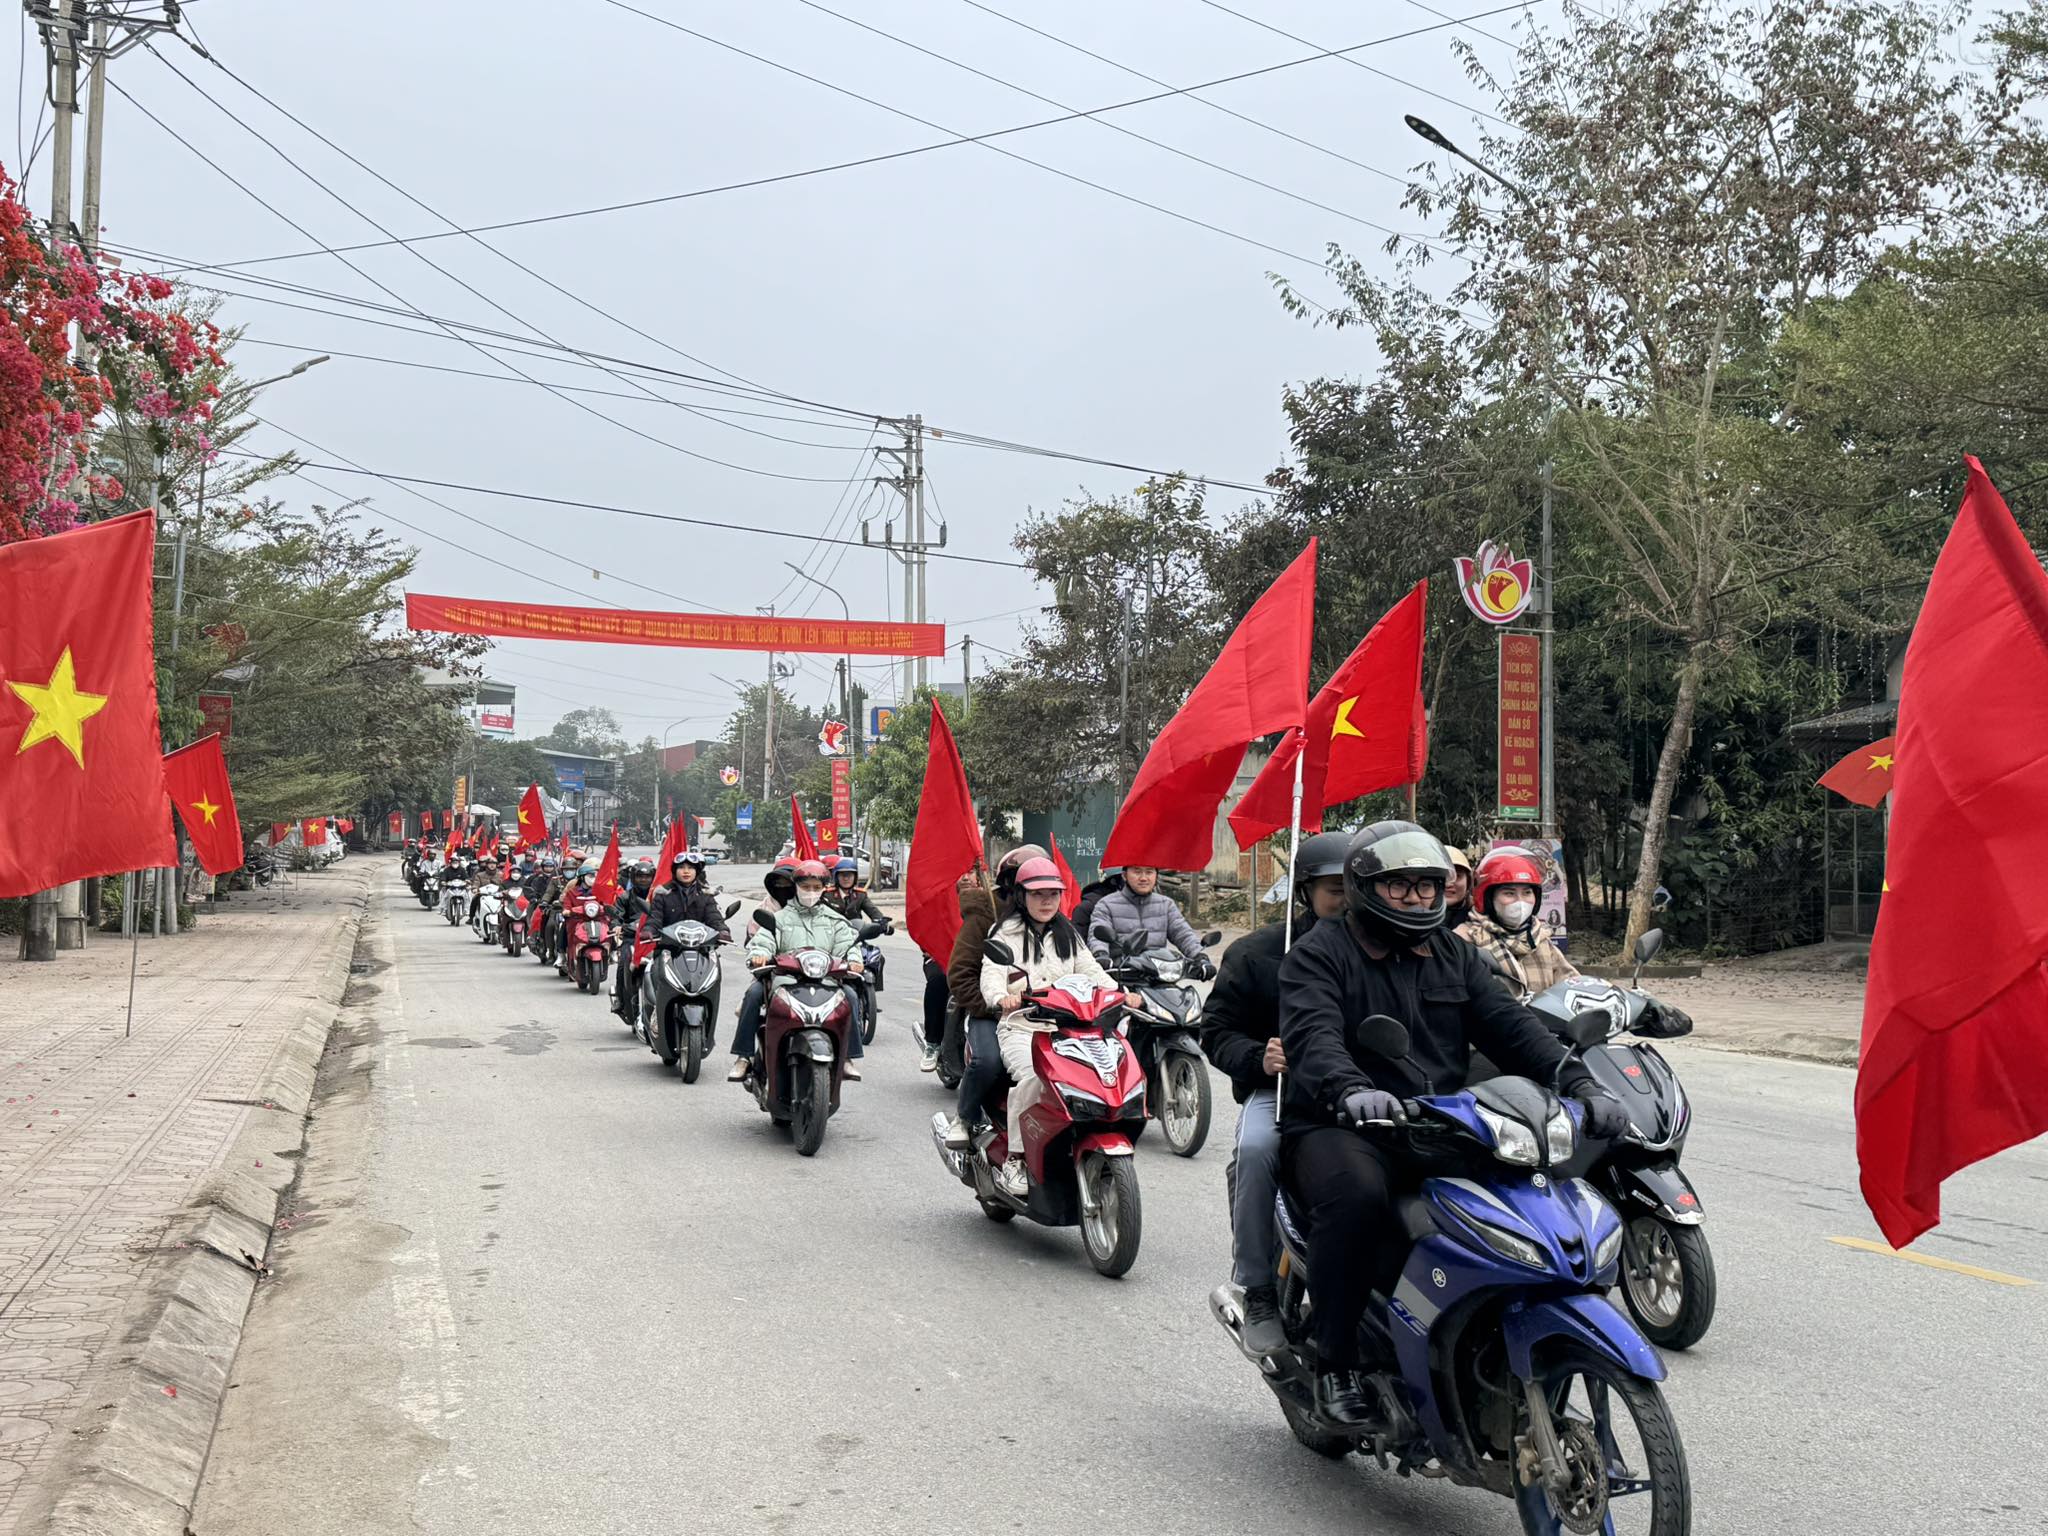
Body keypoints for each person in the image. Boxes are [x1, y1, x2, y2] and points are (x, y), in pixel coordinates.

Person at [1277, 821, 1627, 1428]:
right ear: (1363, 889)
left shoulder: (1454, 954)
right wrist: (1352, 1089)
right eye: (1399, 886)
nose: (1417, 899)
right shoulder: (1319, 953)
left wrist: (1582, 1084)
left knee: (1533, 1190)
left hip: (1443, 1121)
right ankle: (1335, 1361)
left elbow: (1512, 1028)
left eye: (1427, 886)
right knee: (1357, 1198)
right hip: (1344, 1125)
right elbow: (1314, 1036)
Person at [1200, 830, 1351, 1357]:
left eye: (1358, 888)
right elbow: (1215, 1032)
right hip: (1283, 1093)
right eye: (1335, 890)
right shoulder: (1259, 954)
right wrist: (1257, 1059)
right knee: (1256, 1148)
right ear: (1305, 891)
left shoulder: (1386, 949)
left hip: (1366, 1094)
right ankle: (1257, 1287)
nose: (1348, 902)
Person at [979, 858, 1117, 1198]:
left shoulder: (1068, 933)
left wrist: (1119, 993)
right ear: (1021, 896)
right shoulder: (1004, 933)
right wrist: (1001, 997)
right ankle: (1016, 1157)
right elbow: (991, 974)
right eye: (1038, 894)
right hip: (1022, 1027)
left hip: (1069, 1029)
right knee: (1034, 1078)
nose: (1046, 901)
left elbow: (1092, 971)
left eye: (1053, 894)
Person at [940, 844, 1045, 1147]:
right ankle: (965, 1117)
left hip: (1042, 1013)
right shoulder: (986, 915)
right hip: (991, 1012)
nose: (1042, 897)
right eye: (1031, 887)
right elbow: (960, 974)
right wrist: (993, 1006)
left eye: (1047, 890)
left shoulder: (1054, 922)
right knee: (988, 1061)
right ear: (1013, 885)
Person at [734, 859, 865, 1081]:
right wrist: (760, 955)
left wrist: (854, 960)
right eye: (805, 887)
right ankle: (743, 1057)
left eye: (816, 887)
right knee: (754, 994)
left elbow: (849, 945)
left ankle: (847, 1058)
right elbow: (764, 940)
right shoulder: (779, 918)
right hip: (785, 981)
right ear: (796, 887)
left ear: (824, 888)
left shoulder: (835, 919)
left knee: (851, 995)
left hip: (826, 981)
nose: (810, 892)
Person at [1454, 846, 1578, 998]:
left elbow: (1571, 983)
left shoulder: (1540, 939)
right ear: (1487, 898)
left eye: (1527, 892)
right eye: (1509, 893)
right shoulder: (1465, 940)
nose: (1520, 902)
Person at [1087, 864, 1214, 978]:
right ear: (1124, 875)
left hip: (1159, 975)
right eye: (1137, 872)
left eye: (1149, 872)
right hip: (1123, 974)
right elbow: (1097, 934)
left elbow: (1182, 933)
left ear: (1156, 876)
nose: (1143, 878)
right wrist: (1101, 954)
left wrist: (1200, 957)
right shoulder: (1106, 904)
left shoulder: (1166, 904)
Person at [1442, 844, 1475, 930]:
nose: (1448, 884)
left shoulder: (1481, 919)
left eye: (1457, 876)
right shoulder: (1414, 918)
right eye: (1442, 876)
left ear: (1468, 882)